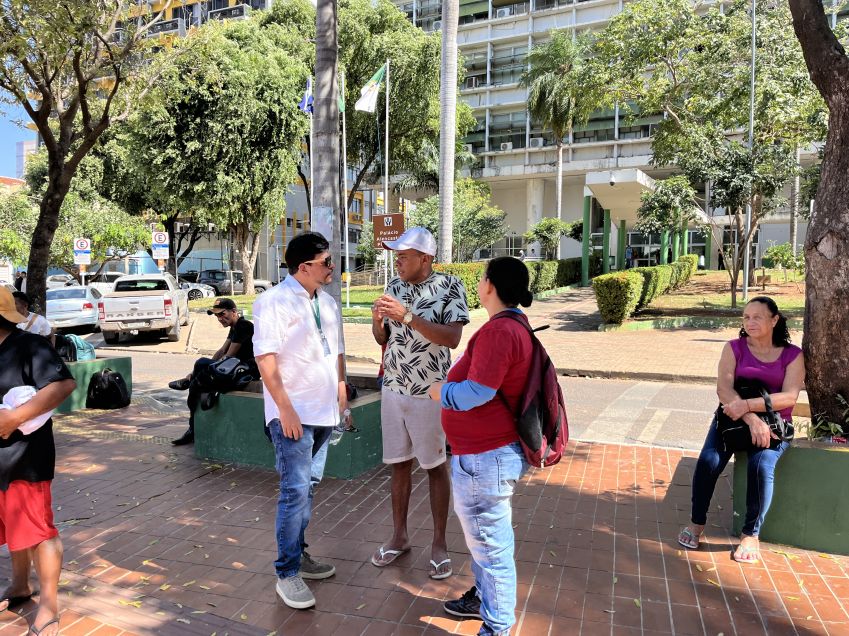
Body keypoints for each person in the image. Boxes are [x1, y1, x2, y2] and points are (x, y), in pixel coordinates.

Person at [426, 256, 533, 636]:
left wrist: (441, 392)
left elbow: (478, 392)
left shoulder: (499, 331)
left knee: (491, 548)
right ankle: (484, 600)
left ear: (490, 285)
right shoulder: (510, 325)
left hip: (485, 457)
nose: (479, 283)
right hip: (487, 455)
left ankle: (497, 626)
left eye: (482, 277)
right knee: (486, 542)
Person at [252, 232, 351, 610]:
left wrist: (341, 388)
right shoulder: (273, 302)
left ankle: (299, 554)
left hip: (324, 411)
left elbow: (336, 350)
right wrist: (285, 409)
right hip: (293, 416)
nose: (332, 267)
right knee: (294, 491)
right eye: (327, 262)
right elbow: (265, 358)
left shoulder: (327, 301)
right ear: (305, 266)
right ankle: (287, 572)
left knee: (308, 487)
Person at [370, 227, 469, 580]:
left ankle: (439, 544)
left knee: (434, 465)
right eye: (396, 256)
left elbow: (452, 338)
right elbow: (382, 339)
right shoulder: (393, 288)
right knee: (398, 464)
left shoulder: (450, 286)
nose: (397, 262)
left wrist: (408, 316)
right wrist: (377, 321)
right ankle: (399, 536)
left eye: (403, 256)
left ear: (425, 258)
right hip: (394, 389)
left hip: (430, 391)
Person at [678, 296, 804, 563]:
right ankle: (696, 523)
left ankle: (750, 535)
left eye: (757, 317)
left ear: (774, 320)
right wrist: (750, 417)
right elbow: (723, 390)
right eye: (746, 317)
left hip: (775, 424)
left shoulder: (793, 355)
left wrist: (749, 406)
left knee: (761, 467)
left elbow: (789, 397)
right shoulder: (734, 348)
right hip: (733, 420)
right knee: (709, 462)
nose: (750, 322)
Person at [0, 286, 76, 636]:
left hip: (25, 457)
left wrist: (16, 417)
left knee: (38, 530)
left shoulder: (29, 346)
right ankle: (19, 585)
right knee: (12, 522)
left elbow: (63, 385)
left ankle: (49, 605)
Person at [168, 298, 255, 446]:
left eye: (222, 314)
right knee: (200, 369)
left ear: (234, 312)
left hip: (243, 371)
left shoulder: (244, 326)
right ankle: (192, 426)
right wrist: (198, 370)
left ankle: (192, 429)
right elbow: (221, 351)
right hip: (231, 368)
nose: (219, 318)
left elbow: (229, 356)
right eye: (217, 315)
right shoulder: (234, 327)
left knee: (199, 372)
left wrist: (208, 369)